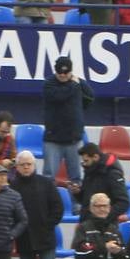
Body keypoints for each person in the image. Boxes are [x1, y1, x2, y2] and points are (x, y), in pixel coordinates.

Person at [9, 152, 63, 259]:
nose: (26, 167)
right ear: (17, 167)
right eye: (22, 165)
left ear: (34, 165)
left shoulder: (46, 183)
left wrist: (48, 225)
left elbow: (58, 208)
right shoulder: (13, 187)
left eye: (29, 164)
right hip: (24, 238)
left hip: (46, 237)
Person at [42, 57, 93, 187]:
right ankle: (47, 206)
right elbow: (60, 96)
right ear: (56, 71)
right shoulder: (49, 84)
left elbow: (90, 97)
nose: (63, 75)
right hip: (53, 140)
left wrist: (78, 111)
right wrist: (74, 85)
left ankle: (76, 207)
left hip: (74, 140)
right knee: (48, 177)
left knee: (75, 178)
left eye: (66, 72)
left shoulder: (78, 83)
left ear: (71, 71)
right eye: (60, 72)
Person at [75, 142, 130, 220]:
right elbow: (86, 200)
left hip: (106, 226)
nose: (84, 164)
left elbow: (123, 202)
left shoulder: (112, 174)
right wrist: (77, 193)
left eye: (86, 161)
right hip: (86, 223)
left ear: (95, 157)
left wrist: (103, 215)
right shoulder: (90, 171)